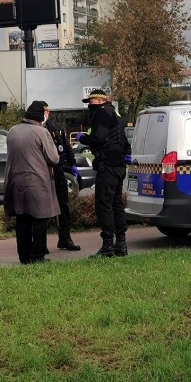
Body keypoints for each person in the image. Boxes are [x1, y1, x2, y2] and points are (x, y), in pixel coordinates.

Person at [76, 88, 131, 257]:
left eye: (91, 102)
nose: (89, 106)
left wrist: (82, 138)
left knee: (104, 205)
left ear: (100, 101)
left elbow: (98, 138)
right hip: (119, 165)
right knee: (116, 205)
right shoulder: (117, 116)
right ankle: (121, 244)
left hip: (107, 165)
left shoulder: (102, 113)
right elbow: (126, 144)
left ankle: (107, 246)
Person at [3, 100, 60, 264]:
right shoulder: (41, 132)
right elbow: (54, 158)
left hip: (16, 182)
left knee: (22, 219)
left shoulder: (12, 131)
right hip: (37, 182)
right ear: (41, 116)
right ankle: (38, 255)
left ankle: (24, 256)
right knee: (40, 219)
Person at [44, 109, 82, 251]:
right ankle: (41, 243)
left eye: (47, 111)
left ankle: (65, 239)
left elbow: (65, 146)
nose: (45, 114)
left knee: (63, 205)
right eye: (43, 111)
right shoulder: (37, 129)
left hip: (58, 170)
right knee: (45, 207)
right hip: (44, 172)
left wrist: (72, 164)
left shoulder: (55, 127)